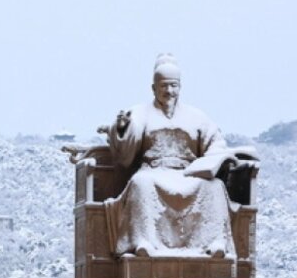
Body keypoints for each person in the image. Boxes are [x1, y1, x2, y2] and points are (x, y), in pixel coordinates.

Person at [104, 54, 245, 257]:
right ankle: (144, 241)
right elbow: (125, 148)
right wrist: (122, 128)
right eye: (163, 86)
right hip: (154, 171)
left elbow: (215, 143)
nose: (169, 91)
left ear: (180, 87)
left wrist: (217, 159)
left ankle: (214, 242)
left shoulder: (196, 116)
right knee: (140, 184)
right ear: (154, 88)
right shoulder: (140, 113)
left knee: (214, 187)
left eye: (173, 86)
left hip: (188, 173)